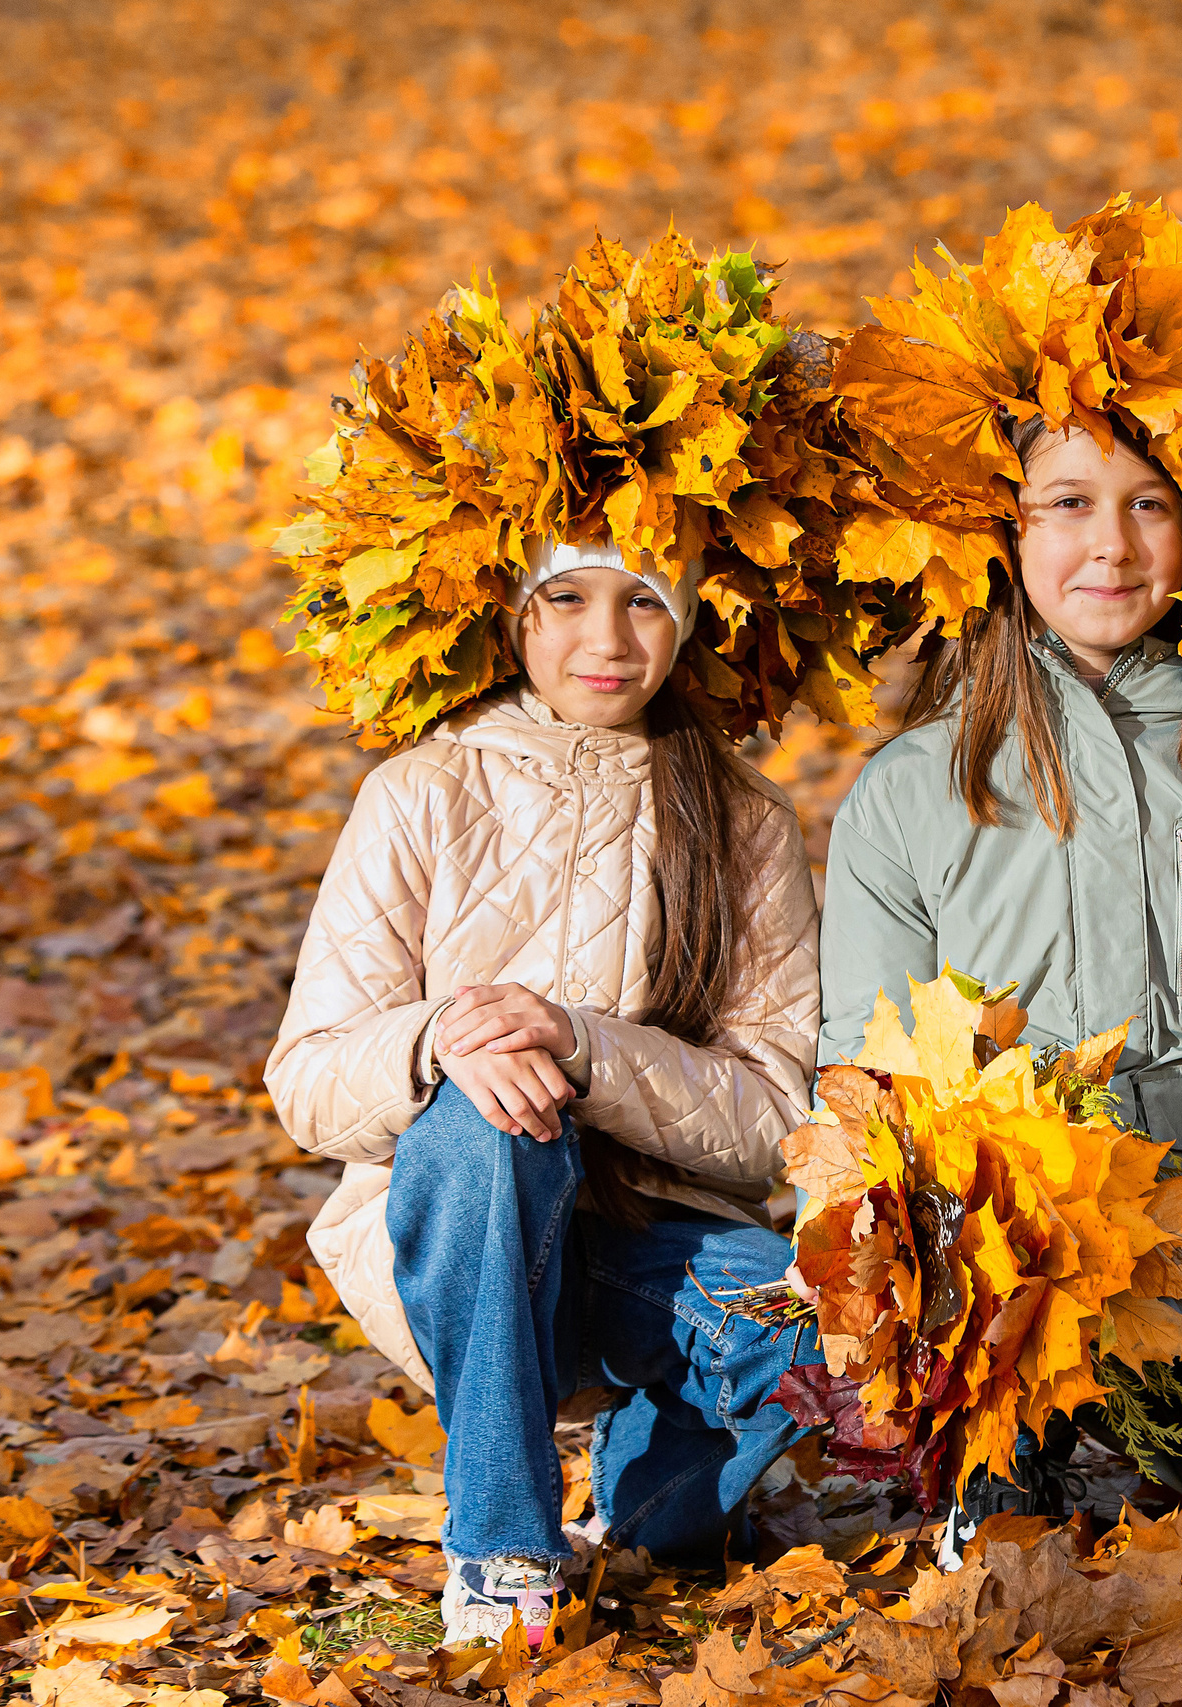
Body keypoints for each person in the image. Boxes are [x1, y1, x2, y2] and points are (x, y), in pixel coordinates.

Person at [819, 416, 1182, 1535]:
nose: (1110, 546)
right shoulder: (916, 789)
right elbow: (869, 1076)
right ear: (997, 533)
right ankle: (1006, 1478)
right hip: (1006, 1273)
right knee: (1013, 1585)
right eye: (1066, 503)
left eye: (1149, 504)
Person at [266, 538, 821, 1646]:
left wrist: (585, 1048)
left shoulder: (743, 820)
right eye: (565, 598)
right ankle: (502, 1544)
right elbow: (308, 1079)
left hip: (646, 1243)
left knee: (812, 1325)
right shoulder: (422, 793)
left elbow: (774, 1126)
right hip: (462, 1228)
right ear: (513, 614)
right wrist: (439, 1039)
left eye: (644, 604)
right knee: (493, 1117)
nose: (606, 641)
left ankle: (648, 1499)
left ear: (692, 619)